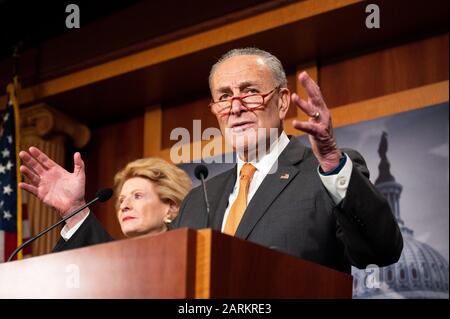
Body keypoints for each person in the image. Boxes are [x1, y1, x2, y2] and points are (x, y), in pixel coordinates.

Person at [170, 48, 403, 274]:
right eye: (224, 97)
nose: (236, 108)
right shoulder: (197, 200)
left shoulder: (326, 173)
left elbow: (381, 250)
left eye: (250, 91)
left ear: (282, 102)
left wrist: (333, 164)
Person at [18, 151, 192, 251]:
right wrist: (73, 211)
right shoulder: (113, 258)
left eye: (137, 196)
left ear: (171, 207)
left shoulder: (189, 256)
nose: (124, 206)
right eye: (122, 200)